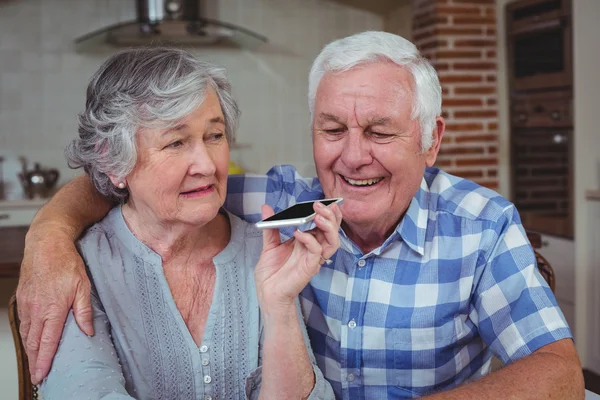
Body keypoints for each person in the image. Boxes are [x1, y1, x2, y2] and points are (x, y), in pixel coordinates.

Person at [18, 32, 584, 399]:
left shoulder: (479, 223)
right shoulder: (275, 205)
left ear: (431, 140)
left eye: (381, 132)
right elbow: (147, 188)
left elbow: (559, 373)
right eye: (333, 129)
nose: (354, 155)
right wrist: (50, 232)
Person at [36, 47, 339, 399]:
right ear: (112, 159)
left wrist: (280, 305)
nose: (207, 166)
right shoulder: (80, 268)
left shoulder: (263, 252)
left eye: (214, 136)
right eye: (176, 142)